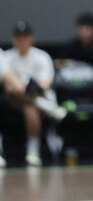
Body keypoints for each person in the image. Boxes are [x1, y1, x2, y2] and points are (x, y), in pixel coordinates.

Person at [2, 21, 67, 166]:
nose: (21, 41)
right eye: (18, 37)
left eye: (24, 37)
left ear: (31, 38)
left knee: (30, 108)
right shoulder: (7, 56)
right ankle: (34, 150)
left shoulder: (41, 57)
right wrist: (20, 85)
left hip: (39, 96)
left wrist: (31, 90)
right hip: (14, 99)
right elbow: (6, 76)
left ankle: (33, 152)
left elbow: (45, 82)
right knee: (12, 89)